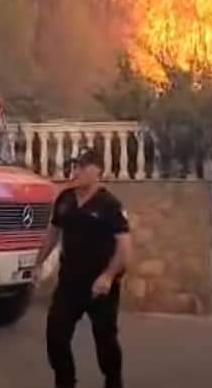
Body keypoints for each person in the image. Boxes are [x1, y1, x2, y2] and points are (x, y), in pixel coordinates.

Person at [34, 148, 133, 388]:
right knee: (56, 334)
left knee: (105, 339)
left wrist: (108, 277)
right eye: (74, 166)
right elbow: (53, 233)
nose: (75, 171)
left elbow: (124, 248)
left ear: (97, 171)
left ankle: (113, 381)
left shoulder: (110, 205)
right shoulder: (65, 199)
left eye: (81, 167)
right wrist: (38, 263)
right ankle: (65, 382)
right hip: (69, 282)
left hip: (100, 286)